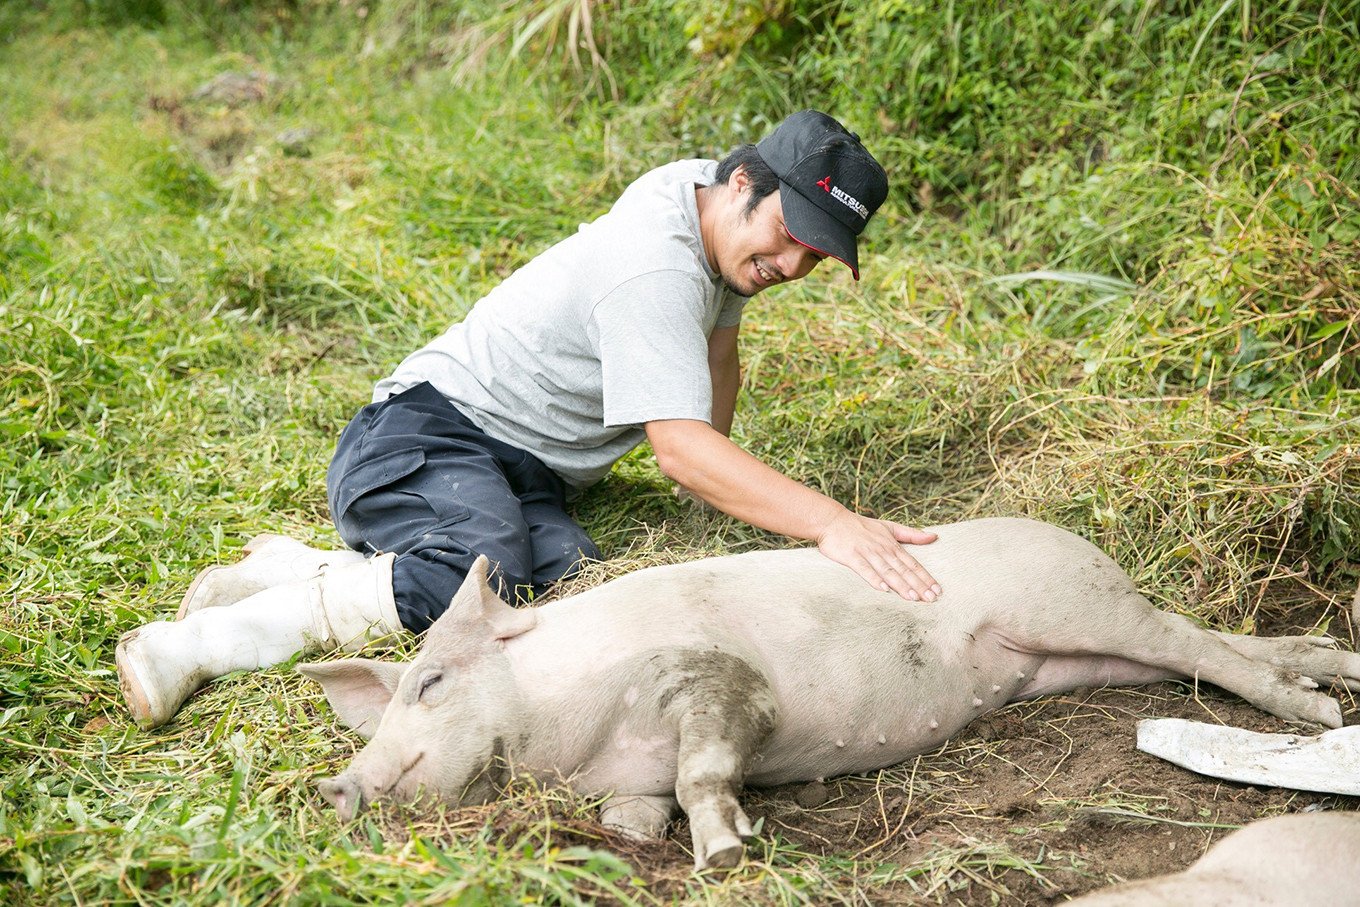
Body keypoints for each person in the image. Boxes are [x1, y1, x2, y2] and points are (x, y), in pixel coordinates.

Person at [116, 110, 943, 729]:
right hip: (423, 433)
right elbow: (680, 450)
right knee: (475, 570)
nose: (792, 265)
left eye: (817, 254)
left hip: (519, 464)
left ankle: (294, 570)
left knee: (562, 575)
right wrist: (830, 523)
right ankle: (202, 643)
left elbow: (716, 359)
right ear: (741, 184)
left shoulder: (709, 212)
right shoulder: (652, 264)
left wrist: (725, 478)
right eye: (790, 234)